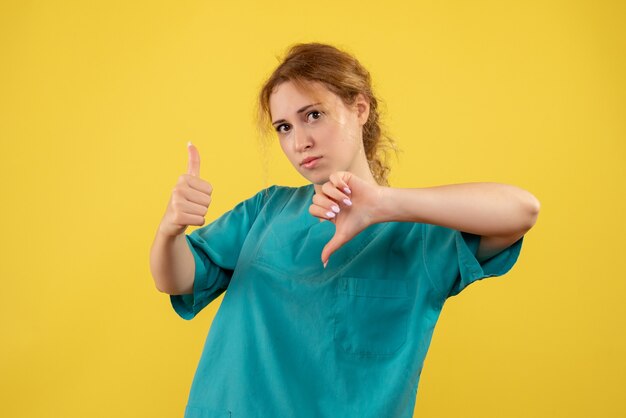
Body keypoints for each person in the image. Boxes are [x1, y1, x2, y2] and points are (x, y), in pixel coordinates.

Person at [149, 42, 540, 418]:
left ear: (360, 108)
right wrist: (170, 230)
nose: (300, 141)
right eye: (284, 127)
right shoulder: (266, 212)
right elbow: (176, 278)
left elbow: (522, 209)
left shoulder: (414, 235)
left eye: (313, 115)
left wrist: (384, 204)